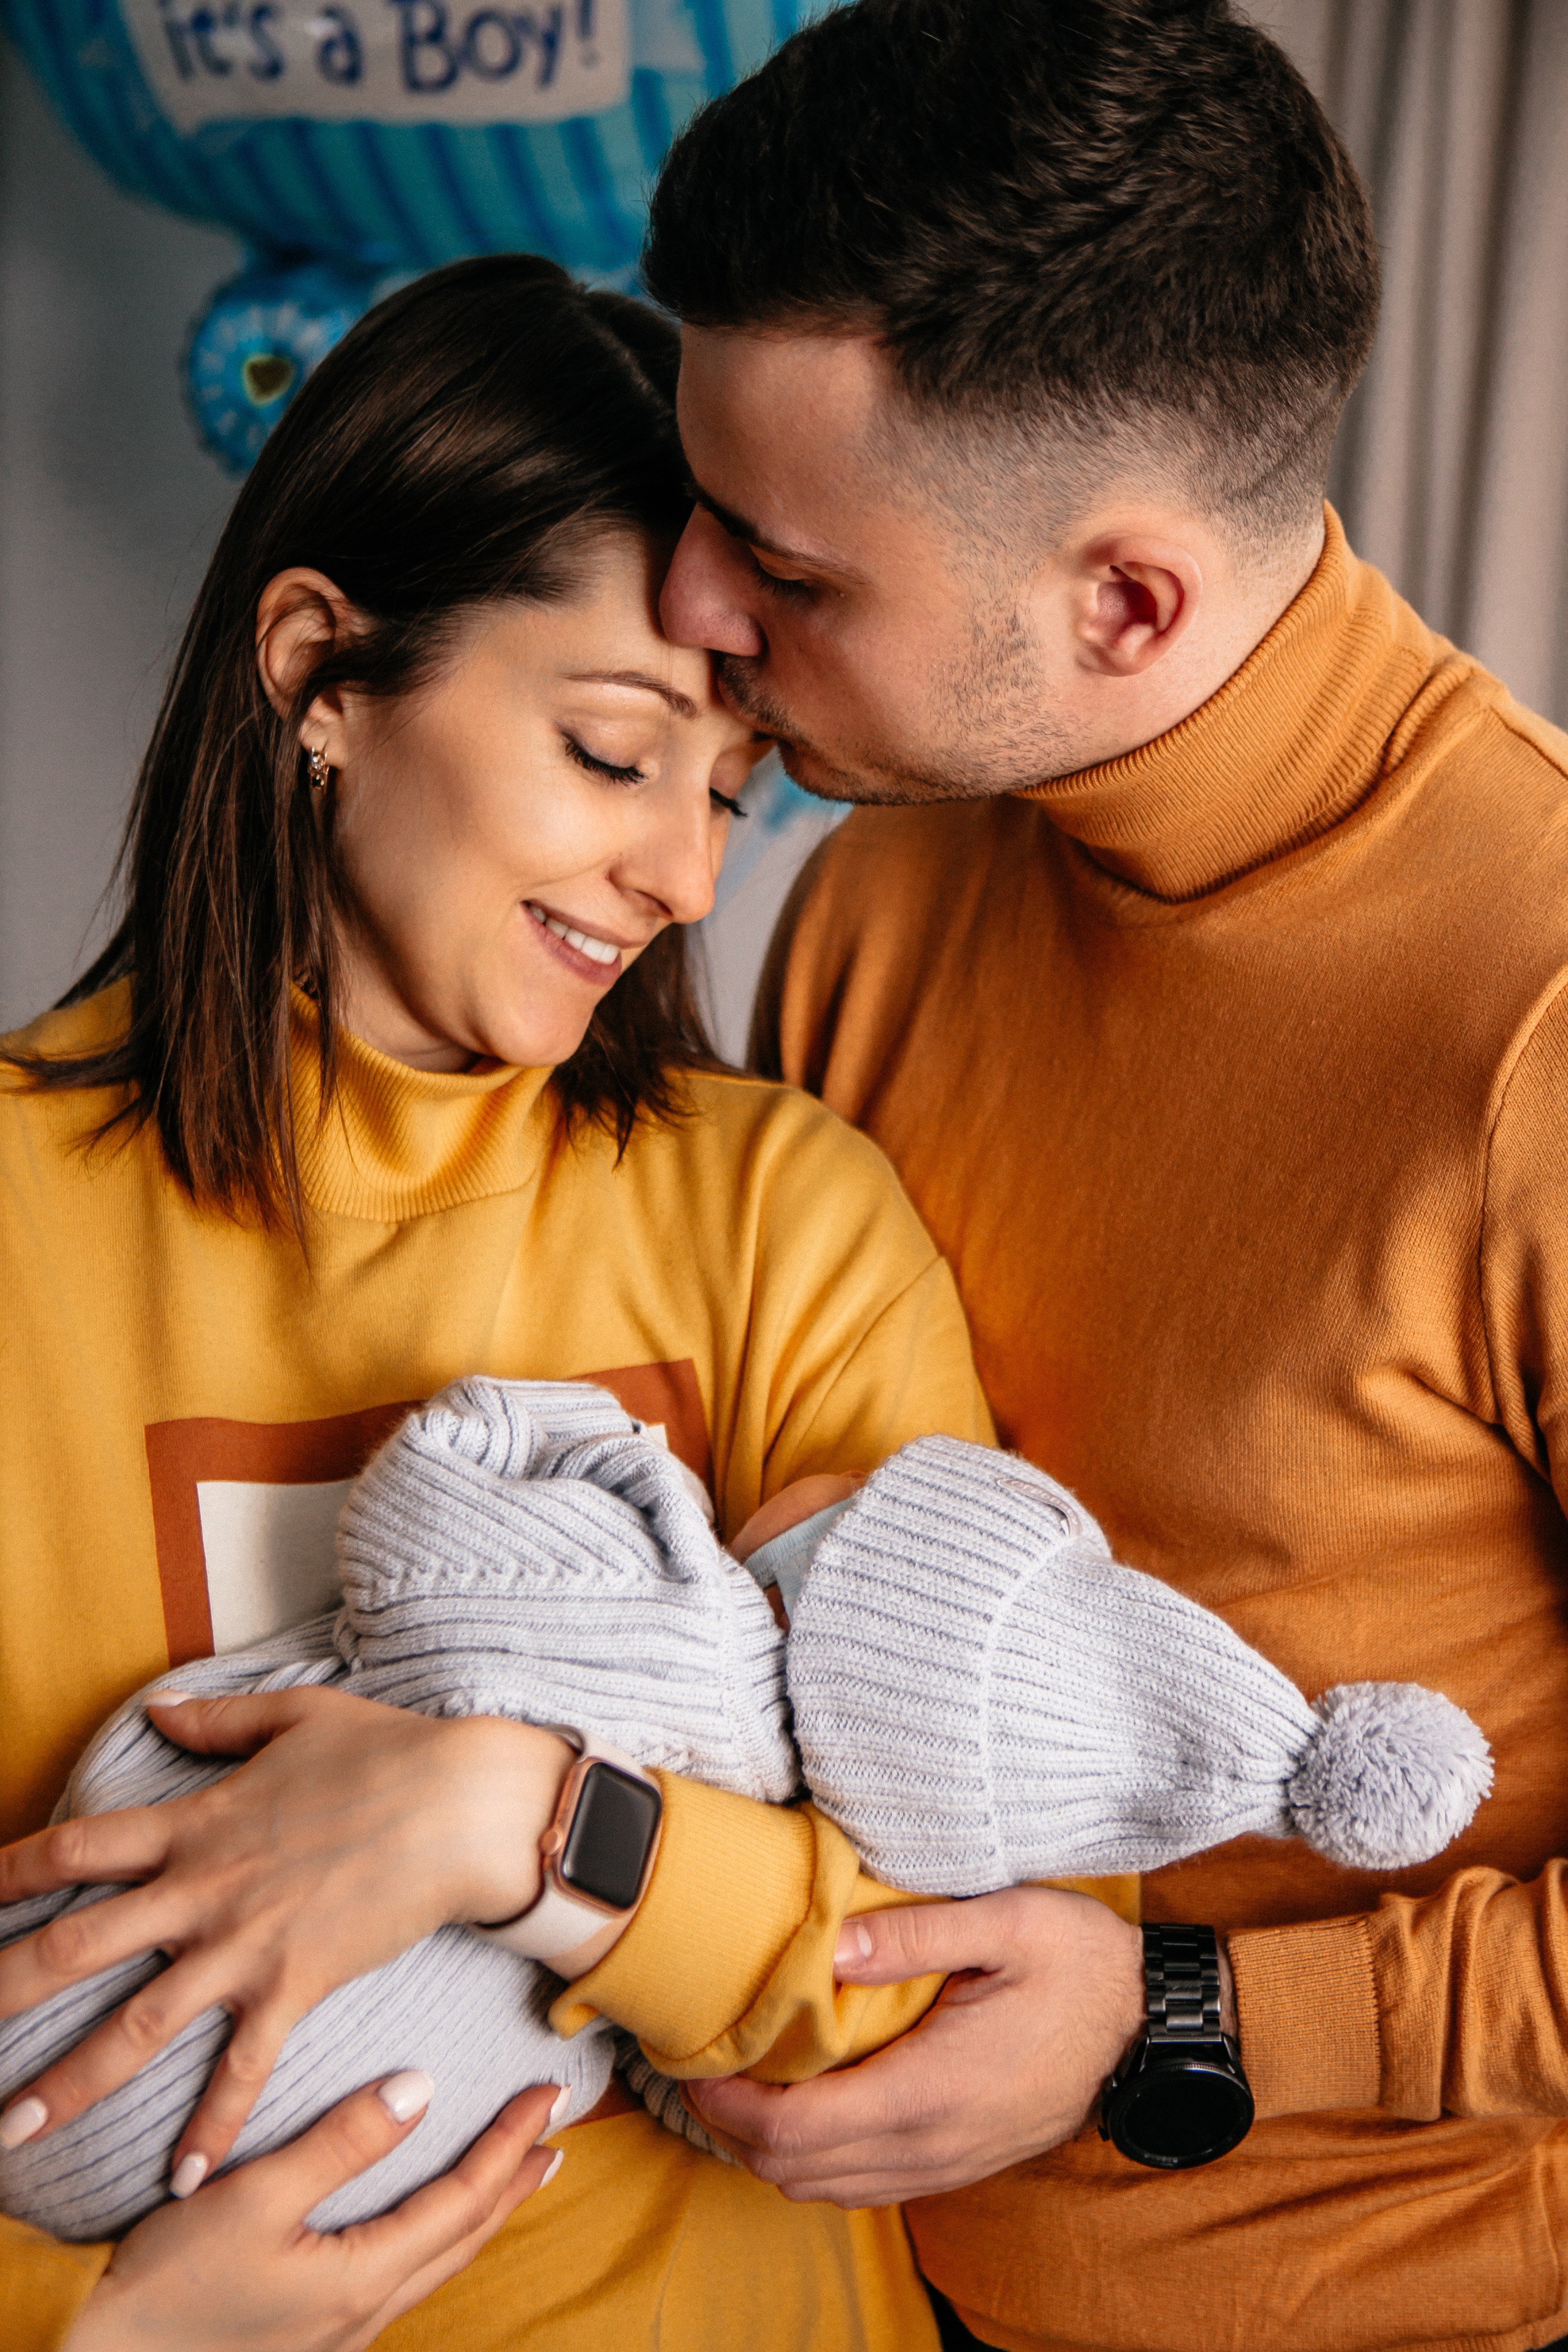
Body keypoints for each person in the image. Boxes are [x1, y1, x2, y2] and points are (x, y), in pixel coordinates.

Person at [611, 1, 1568, 2348]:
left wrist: (1184, 2018)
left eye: (788, 566)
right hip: (822, 2279)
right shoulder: (868, 898)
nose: (699, 611)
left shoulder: (1539, 1010)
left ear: (1122, 604)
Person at [0, 252, 997, 2351]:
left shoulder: (783, 1219)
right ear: (320, 671)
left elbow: (954, 1962)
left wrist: (509, 1814)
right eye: (611, 751)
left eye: (726, 791)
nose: (686, 877)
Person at [0, 1368, 1489, 2247]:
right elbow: (713, 2082)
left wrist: (591, 1448)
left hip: (109, 2031)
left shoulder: (670, 1611)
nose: (810, 1470)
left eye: (853, 1503)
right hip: (301, 2185)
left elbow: (426, 1526)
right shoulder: (798, 1859)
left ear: (820, 1585)